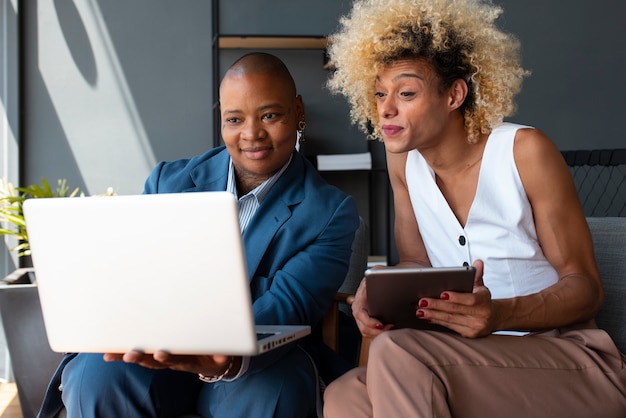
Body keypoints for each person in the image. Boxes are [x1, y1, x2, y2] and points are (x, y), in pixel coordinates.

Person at [322, 0, 626, 417]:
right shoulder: (404, 163)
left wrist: (499, 313)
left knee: (400, 352)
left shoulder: (525, 152)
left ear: (455, 94)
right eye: (379, 93)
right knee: (344, 396)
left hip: (569, 362)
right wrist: (375, 291)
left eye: (406, 93)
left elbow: (586, 288)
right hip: (467, 358)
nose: (386, 109)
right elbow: (416, 263)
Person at [37, 52, 360, 418]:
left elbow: (290, 305)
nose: (251, 134)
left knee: (276, 388)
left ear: (298, 111)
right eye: (234, 119)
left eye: (270, 115)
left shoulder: (330, 212)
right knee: (100, 375)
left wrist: (220, 355)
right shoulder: (167, 182)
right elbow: (134, 274)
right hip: (163, 346)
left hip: (256, 359)